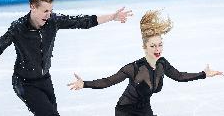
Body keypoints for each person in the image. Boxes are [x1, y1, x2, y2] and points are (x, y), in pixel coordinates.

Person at [0, 0, 133, 116]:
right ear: (33, 8)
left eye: (50, 10)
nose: (49, 14)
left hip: (45, 79)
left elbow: (83, 21)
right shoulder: (18, 27)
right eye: (45, 11)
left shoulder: (53, 21)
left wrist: (111, 17)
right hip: (24, 83)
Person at [68, 10, 223, 116]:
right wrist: (85, 84)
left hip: (145, 110)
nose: (157, 49)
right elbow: (108, 81)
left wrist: (204, 74)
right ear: (144, 47)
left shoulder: (162, 64)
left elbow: (180, 76)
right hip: (125, 111)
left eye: (160, 45)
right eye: (153, 46)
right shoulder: (134, 68)